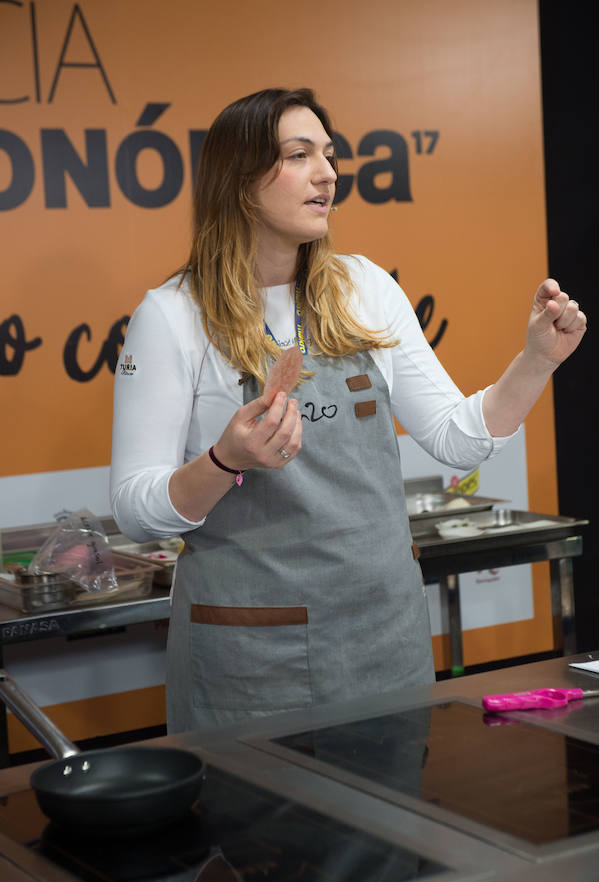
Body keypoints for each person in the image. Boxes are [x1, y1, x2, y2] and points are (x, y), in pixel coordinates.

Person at [110, 88, 587, 734]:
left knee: (393, 833)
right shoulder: (171, 317)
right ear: (240, 180)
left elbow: (457, 439)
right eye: (298, 155)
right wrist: (226, 461)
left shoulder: (365, 289)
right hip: (251, 659)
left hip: (384, 644)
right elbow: (137, 510)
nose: (327, 173)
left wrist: (536, 360)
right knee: (255, 835)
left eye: (328, 155)